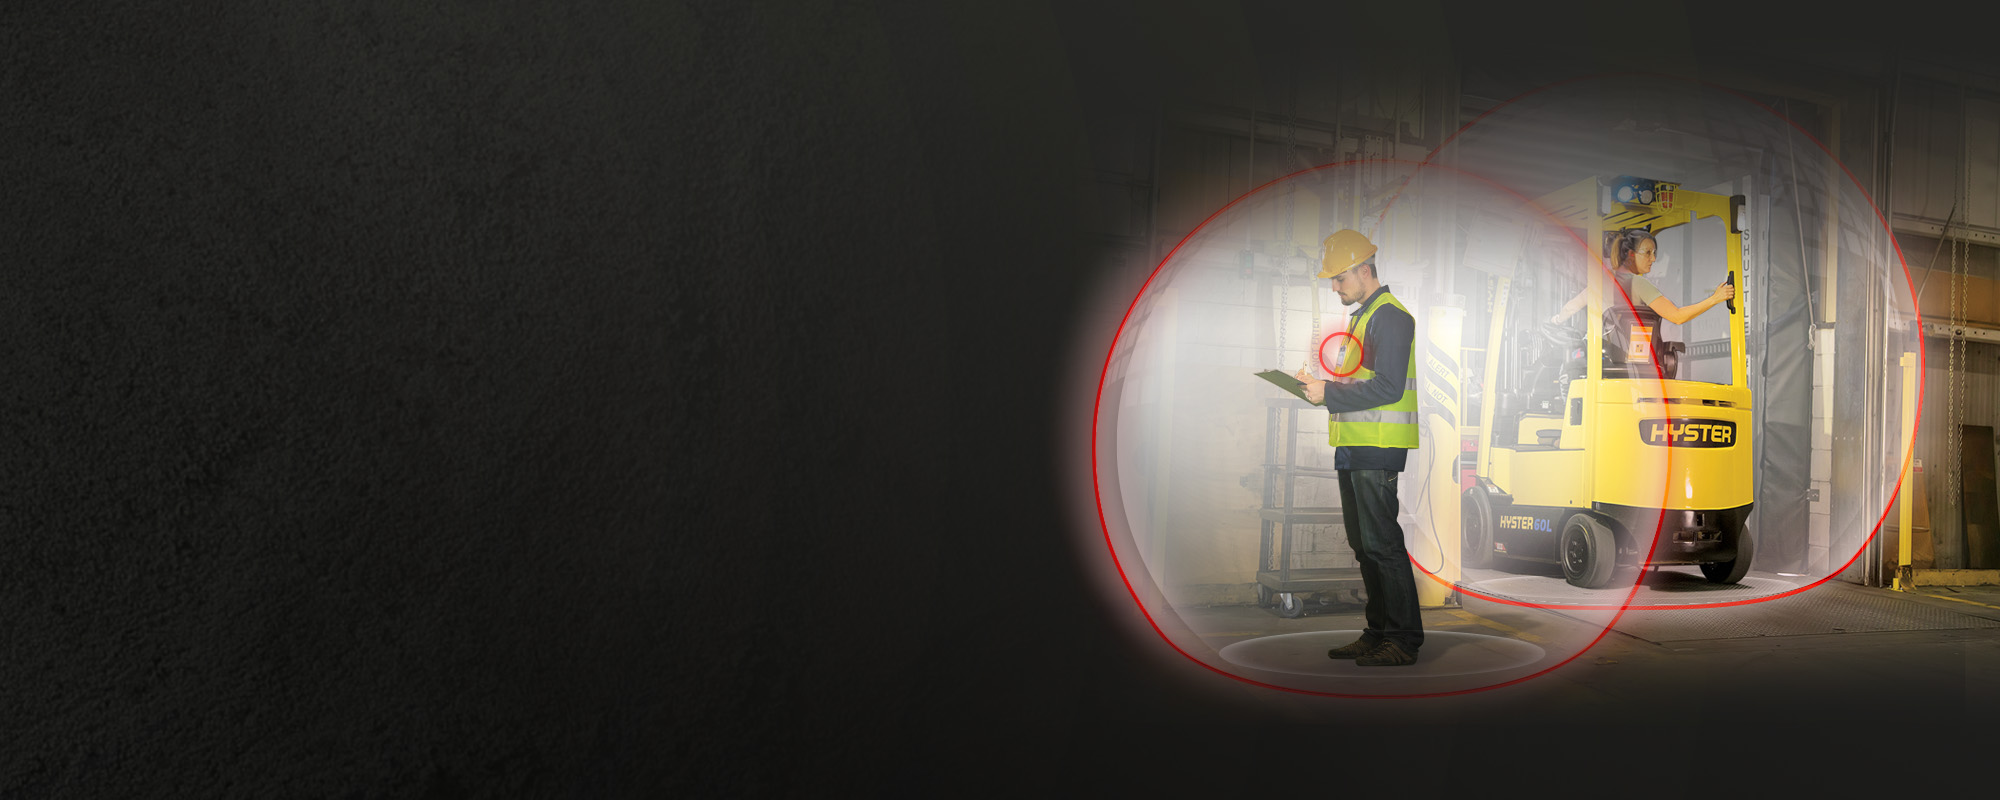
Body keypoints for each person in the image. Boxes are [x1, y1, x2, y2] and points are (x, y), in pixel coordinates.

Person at [1292, 230, 1422, 667]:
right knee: (1364, 545)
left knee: (1382, 544)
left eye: (1339, 277)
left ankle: (1403, 641)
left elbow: (1386, 387)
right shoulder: (1363, 317)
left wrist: (1327, 392)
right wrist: (1317, 386)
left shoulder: (1391, 317)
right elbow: (1356, 382)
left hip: (1378, 445)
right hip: (1354, 446)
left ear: (1365, 270)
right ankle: (1378, 632)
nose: (1334, 286)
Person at [1552, 227, 1735, 326]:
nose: (1653, 259)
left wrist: (1554, 322)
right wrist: (1715, 298)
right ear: (1631, 254)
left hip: (1602, 364)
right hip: (1634, 367)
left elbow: (1570, 308)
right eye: (1647, 253)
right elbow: (1677, 317)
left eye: (1654, 252)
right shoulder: (1638, 284)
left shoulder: (1602, 281)